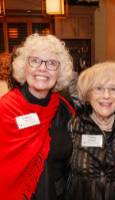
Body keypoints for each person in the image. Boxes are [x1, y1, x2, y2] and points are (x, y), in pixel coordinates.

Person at [0, 34, 75, 200]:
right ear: (24, 66)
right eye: (35, 60)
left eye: (52, 63)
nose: (42, 68)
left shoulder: (64, 109)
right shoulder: (5, 109)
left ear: (59, 72)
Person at [66, 61, 115, 200]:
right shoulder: (73, 126)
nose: (106, 96)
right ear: (88, 94)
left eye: (113, 89)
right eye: (99, 88)